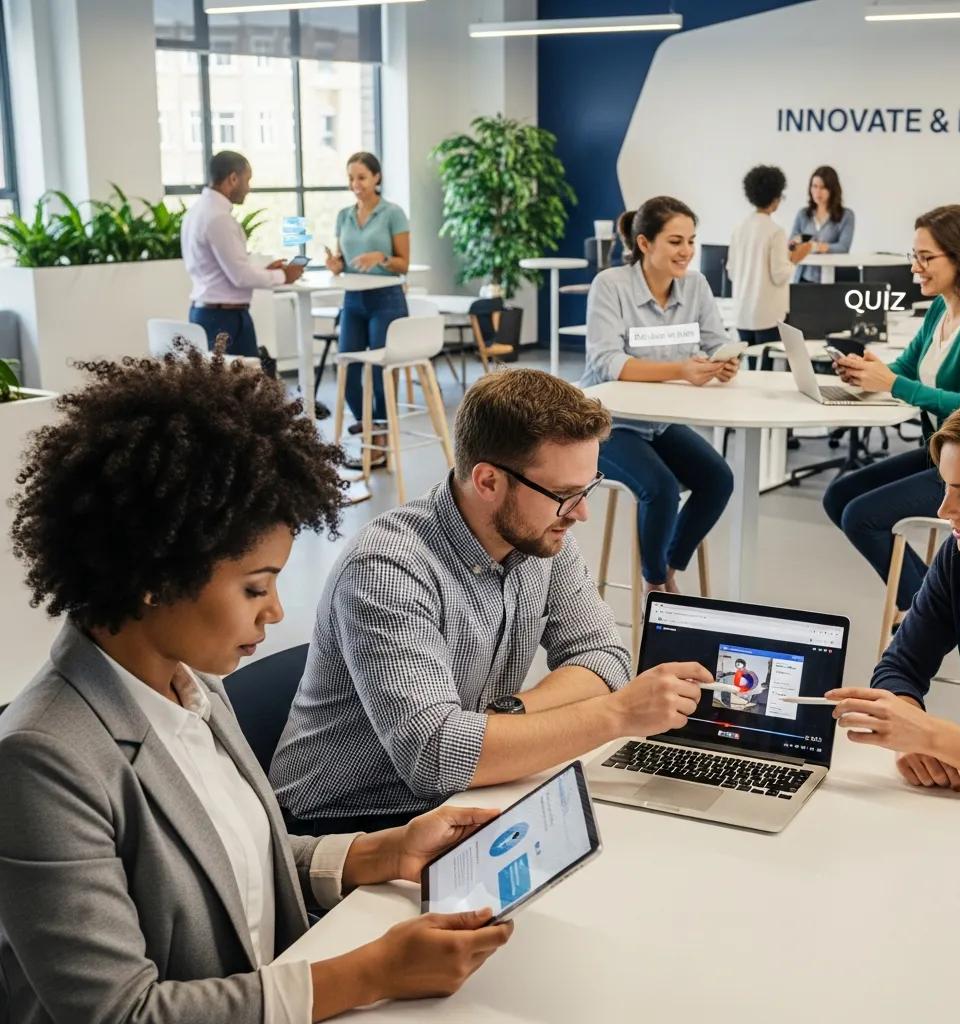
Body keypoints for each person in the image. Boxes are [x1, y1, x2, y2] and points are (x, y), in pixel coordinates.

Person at [0, 345, 512, 1022]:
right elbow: (119, 1013)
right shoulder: (43, 759)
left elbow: (235, 862)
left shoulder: (191, 685)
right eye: (255, 588)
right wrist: (370, 972)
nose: (276, 611)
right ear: (157, 577)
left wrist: (387, 849)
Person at [270, 369, 712, 834]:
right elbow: (436, 756)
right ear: (487, 481)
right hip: (348, 820)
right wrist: (618, 715)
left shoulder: (540, 533)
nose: (581, 513)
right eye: (564, 495)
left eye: (587, 489)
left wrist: (506, 716)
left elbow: (604, 658)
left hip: (465, 793)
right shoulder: (386, 570)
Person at [827, 388, 960, 799]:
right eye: (947, 487)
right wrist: (908, 725)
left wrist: (936, 738)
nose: (944, 510)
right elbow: (901, 662)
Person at [823, 205, 960, 621]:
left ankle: (925, 611)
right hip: (943, 452)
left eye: (925, 258)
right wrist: (869, 372)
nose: (915, 267)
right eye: (915, 256)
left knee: (862, 517)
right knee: (838, 496)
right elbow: (907, 370)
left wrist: (892, 384)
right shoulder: (940, 310)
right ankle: (933, 602)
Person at [578, 195, 737, 595]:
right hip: (606, 423)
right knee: (661, 489)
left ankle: (668, 563)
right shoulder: (610, 285)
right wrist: (682, 369)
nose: (686, 251)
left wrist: (725, 361)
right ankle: (654, 586)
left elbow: (717, 341)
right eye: (676, 241)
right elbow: (609, 362)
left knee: (718, 479)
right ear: (645, 244)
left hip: (659, 420)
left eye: (691, 241)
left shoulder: (696, 285)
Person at [324, 151, 410, 469]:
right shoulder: (344, 216)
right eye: (350, 178)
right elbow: (344, 259)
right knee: (346, 369)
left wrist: (382, 258)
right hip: (353, 300)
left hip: (386, 298)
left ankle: (379, 440)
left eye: (361, 177)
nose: (355, 184)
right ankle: (370, 429)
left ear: (376, 178)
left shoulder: (393, 214)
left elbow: (404, 263)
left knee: (379, 373)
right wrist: (336, 264)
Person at [181, 150, 304, 356]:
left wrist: (262, 271)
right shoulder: (219, 218)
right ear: (233, 178)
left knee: (217, 385)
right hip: (224, 320)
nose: (249, 188)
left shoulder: (195, 212)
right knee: (242, 386)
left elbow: (223, 269)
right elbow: (240, 277)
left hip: (206, 313)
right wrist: (284, 275)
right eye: (247, 180)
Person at [728, 165, 813, 343]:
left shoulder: (739, 228)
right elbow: (779, 275)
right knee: (768, 365)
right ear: (775, 198)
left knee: (749, 365)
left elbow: (732, 272)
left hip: (742, 313)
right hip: (767, 315)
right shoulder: (775, 231)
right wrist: (795, 259)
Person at [790, 165, 855, 283]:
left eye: (823, 187)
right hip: (804, 278)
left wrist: (819, 247)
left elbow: (843, 247)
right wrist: (798, 243)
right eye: (814, 186)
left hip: (832, 279)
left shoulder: (846, 216)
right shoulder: (803, 214)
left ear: (832, 190)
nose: (818, 192)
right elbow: (792, 244)